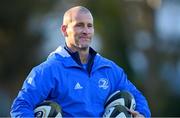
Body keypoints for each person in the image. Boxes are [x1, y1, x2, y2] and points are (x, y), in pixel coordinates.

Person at [11, 6, 151, 117]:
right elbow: (21, 106)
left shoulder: (109, 69)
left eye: (89, 26)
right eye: (79, 25)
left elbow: (138, 98)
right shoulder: (48, 70)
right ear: (65, 30)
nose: (86, 31)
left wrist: (142, 115)